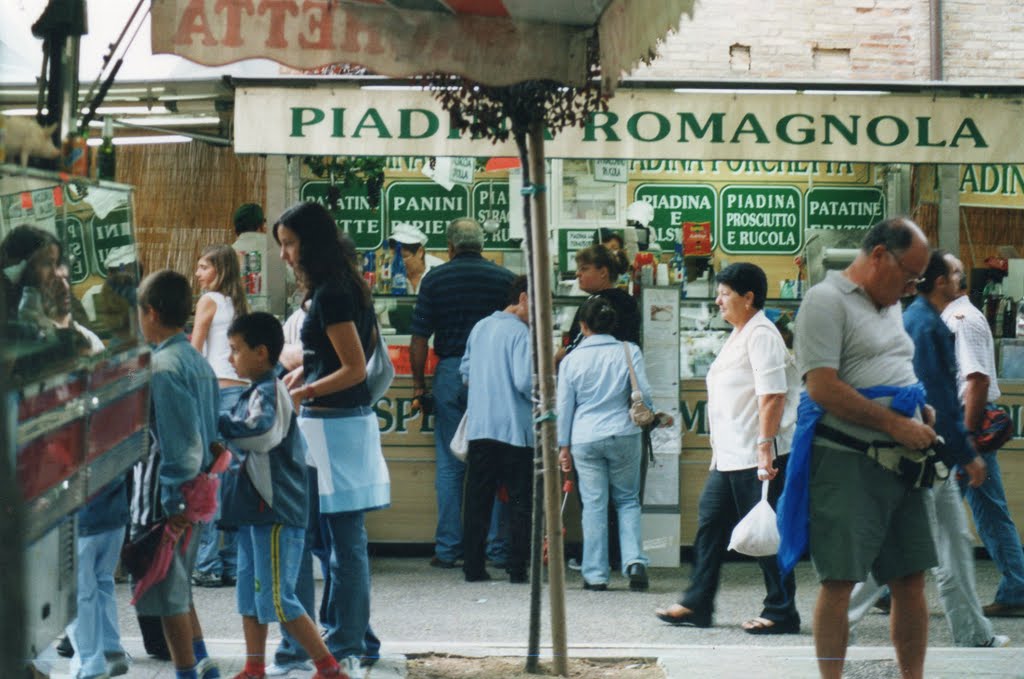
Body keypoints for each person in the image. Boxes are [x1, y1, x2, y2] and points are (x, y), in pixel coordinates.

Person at [778, 217, 939, 679]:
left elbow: (891, 368)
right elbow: (823, 388)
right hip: (848, 458)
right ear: (878, 256)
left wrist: (918, 411)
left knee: (910, 577)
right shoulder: (825, 302)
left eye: (918, 279)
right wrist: (895, 422)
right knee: (840, 580)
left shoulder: (888, 304)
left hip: (904, 462)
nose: (911, 287)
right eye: (908, 274)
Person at [845, 250, 1004, 647]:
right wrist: (967, 453)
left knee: (949, 541)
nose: (961, 279)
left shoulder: (918, 319)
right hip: (928, 454)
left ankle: (972, 632)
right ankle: (838, 618)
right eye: (955, 274)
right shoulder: (928, 326)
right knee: (914, 546)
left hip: (925, 452)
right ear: (938, 282)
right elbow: (940, 399)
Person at [274, 202, 390, 679]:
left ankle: (323, 643)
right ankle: (346, 639)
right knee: (343, 541)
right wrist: (305, 374)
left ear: (311, 244)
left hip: (330, 428)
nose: (284, 254)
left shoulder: (331, 296)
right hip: (344, 425)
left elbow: (353, 368)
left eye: (289, 244)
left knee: (320, 541)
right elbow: (336, 359)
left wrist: (304, 390)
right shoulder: (343, 288)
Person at [655, 263, 800, 633]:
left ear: (748, 297)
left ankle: (782, 611)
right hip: (730, 455)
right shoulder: (739, 333)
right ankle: (697, 603)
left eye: (725, 293)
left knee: (764, 532)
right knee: (709, 523)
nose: (718, 300)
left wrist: (765, 447)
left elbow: (773, 396)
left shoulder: (762, 334)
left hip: (757, 453)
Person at [216, 311, 347, 679]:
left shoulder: (271, 392)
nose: (230, 358)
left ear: (261, 352)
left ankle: (328, 667)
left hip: (273, 510)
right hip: (253, 511)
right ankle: (254, 666)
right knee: (248, 594)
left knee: (278, 596)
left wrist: (218, 423)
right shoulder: (254, 391)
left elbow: (260, 435)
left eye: (235, 349)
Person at [130, 270, 222, 679]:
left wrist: (173, 502)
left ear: (150, 312)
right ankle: (201, 661)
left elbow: (178, 443)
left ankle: (188, 671)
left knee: (167, 591)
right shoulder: (197, 361)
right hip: (200, 489)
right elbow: (211, 434)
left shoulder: (162, 366)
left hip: (171, 495)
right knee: (179, 585)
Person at [409, 217, 515, 569]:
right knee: (498, 460)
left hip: (451, 372)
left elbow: (420, 338)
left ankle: (449, 547)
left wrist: (418, 387)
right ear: (482, 245)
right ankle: (496, 549)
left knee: (451, 462)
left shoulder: (435, 279)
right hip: (494, 374)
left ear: (450, 247)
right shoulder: (503, 279)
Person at [943, 256, 1024, 619]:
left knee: (931, 507)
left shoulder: (962, 320)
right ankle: (1017, 588)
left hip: (964, 426)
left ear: (952, 281)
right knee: (990, 512)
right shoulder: (956, 317)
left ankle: (887, 585)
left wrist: (968, 436)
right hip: (964, 426)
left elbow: (975, 380)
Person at [556, 295, 653, 592]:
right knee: (627, 500)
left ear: (583, 326)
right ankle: (634, 561)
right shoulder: (629, 351)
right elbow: (645, 396)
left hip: (585, 438)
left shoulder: (572, 360)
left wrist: (563, 447)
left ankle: (596, 574)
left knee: (594, 504)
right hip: (624, 434)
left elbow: (564, 406)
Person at [460, 275, 534, 584]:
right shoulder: (522, 334)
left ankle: (473, 566)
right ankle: (517, 568)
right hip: (514, 430)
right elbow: (524, 381)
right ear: (525, 298)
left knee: (478, 501)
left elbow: (465, 372)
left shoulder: (480, 327)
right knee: (520, 502)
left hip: (480, 428)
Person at [191, 244, 250, 589]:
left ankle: (208, 563)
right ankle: (233, 562)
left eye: (203, 267)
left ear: (219, 271)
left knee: (211, 480)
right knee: (234, 482)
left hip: (217, 394)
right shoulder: (239, 304)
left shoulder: (209, 300)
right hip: (241, 395)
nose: (198, 274)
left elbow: (196, 351)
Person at [556, 244, 639, 366]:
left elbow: (576, 346)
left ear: (603, 272)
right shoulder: (628, 301)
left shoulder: (593, 305)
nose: (577, 274)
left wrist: (557, 357)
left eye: (584, 269)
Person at [389, 222, 445, 295]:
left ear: (420, 252)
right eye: (394, 256)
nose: (398, 262)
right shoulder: (390, 271)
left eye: (404, 257)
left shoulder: (440, 270)